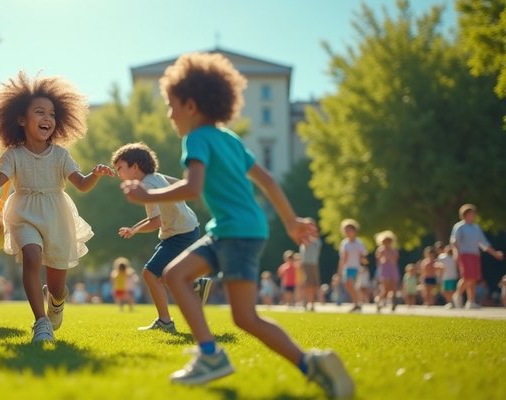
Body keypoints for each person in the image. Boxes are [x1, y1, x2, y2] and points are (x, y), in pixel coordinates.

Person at [120, 52, 353, 397]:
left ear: (191, 105)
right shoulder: (229, 138)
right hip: (240, 229)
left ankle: (214, 355)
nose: (170, 115)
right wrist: (290, 221)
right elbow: (269, 180)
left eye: (171, 106)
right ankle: (307, 364)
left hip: (233, 232)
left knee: (182, 280)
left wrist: (144, 197)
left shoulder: (196, 139)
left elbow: (194, 187)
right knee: (236, 312)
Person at [0, 71, 114, 342]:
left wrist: (94, 174)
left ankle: (57, 300)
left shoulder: (61, 155)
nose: (47, 118)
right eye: (40, 112)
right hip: (23, 211)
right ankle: (41, 322)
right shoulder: (13, 155)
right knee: (32, 257)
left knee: (58, 285)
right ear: (21, 119)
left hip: (57, 215)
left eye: (51, 114)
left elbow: (81, 184)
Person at [111, 142, 206, 331]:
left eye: (120, 168)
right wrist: (135, 227)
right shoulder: (157, 177)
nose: (118, 174)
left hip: (180, 234)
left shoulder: (146, 186)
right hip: (188, 228)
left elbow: (155, 222)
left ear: (135, 167)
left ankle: (165, 322)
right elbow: (181, 185)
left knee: (149, 273)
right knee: (164, 275)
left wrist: (135, 230)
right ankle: (194, 285)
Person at [450, 204, 504, 309]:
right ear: (465, 215)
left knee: (474, 278)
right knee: (466, 277)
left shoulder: (476, 227)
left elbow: (483, 243)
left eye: (474, 213)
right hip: (464, 254)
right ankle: (457, 295)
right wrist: (456, 252)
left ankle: (471, 301)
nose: (473, 215)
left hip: (475, 255)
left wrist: (495, 253)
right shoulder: (460, 226)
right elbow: (454, 241)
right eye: (471, 213)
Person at [337, 219, 366, 312]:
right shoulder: (344, 243)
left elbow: (363, 255)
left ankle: (358, 303)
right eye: (346, 230)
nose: (348, 232)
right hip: (347, 268)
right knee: (348, 285)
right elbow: (343, 258)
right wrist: (340, 270)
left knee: (350, 284)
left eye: (349, 230)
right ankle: (356, 303)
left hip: (355, 267)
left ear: (354, 231)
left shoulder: (359, 243)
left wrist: (364, 261)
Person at [373, 230, 400, 312]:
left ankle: (393, 302)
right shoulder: (380, 250)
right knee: (386, 288)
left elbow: (395, 260)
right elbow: (378, 261)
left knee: (394, 287)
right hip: (384, 270)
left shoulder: (393, 250)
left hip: (392, 269)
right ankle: (379, 300)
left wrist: (389, 257)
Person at [298, 218, 321, 311]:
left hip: (313, 264)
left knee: (313, 284)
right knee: (307, 284)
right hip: (306, 264)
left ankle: (311, 303)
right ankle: (307, 302)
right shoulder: (304, 238)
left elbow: (310, 241)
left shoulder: (315, 240)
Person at [435, 244, 459, 309]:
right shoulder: (454, 257)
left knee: (446, 291)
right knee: (451, 291)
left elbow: (437, 265)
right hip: (452, 276)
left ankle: (451, 303)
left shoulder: (443, 257)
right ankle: (453, 303)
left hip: (446, 277)